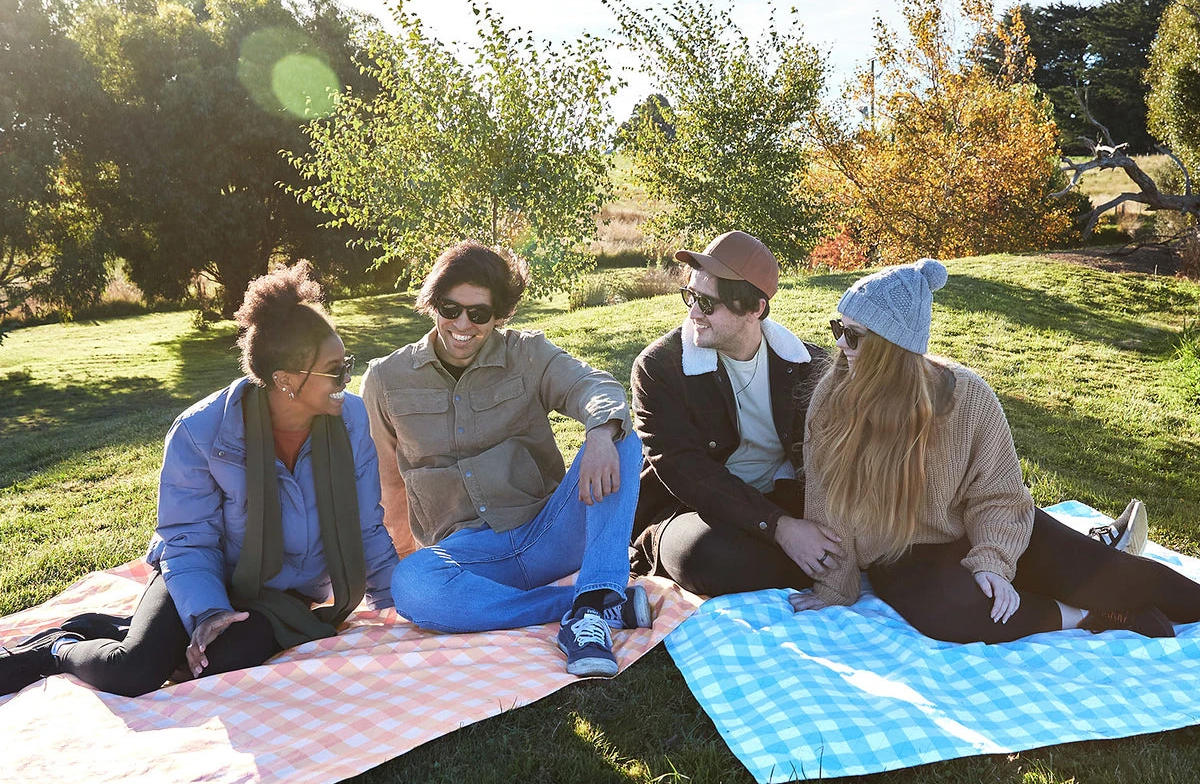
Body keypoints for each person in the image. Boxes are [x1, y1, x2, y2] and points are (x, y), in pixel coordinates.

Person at [0, 261, 399, 698]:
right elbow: (188, 538)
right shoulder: (200, 432)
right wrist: (207, 612)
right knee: (134, 672)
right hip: (205, 573)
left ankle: (127, 629)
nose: (347, 378)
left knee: (219, 664)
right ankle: (57, 649)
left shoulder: (351, 418)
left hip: (283, 590)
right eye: (335, 369)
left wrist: (396, 602)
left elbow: (365, 522)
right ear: (285, 380)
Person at [790, 257, 1200, 642]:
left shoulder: (968, 396)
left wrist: (993, 562)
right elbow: (830, 504)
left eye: (853, 335)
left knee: (1125, 578)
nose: (840, 344)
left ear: (891, 347)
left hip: (978, 526)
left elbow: (999, 495)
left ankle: (1112, 592)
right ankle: (1092, 616)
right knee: (949, 613)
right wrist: (834, 587)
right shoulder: (832, 399)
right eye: (837, 328)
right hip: (903, 552)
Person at [361, 242, 650, 679]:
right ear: (432, 303)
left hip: (549, 531)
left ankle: (593, 604)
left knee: (619, 437)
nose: (461, 324)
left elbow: (595, 387)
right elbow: (387, 482)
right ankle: (590, 605)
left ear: (499, 316)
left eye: (478, 314)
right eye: (449, 308)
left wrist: (600, 433)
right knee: (414, 585)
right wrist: (400, 565)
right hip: (469, 555)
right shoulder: (385, 379)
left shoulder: (528, 354)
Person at [630, 231, 831, 596]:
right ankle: (808, 564)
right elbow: (685, 471)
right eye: (690, 296)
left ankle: (808, 561)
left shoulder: (809, 366)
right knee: (709, 558)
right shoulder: (660, 368)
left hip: (780, 497)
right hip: (690, 508)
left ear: (754, 308)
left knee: (862, 536)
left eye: (707, 303)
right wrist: (780, 528)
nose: (693, 314)